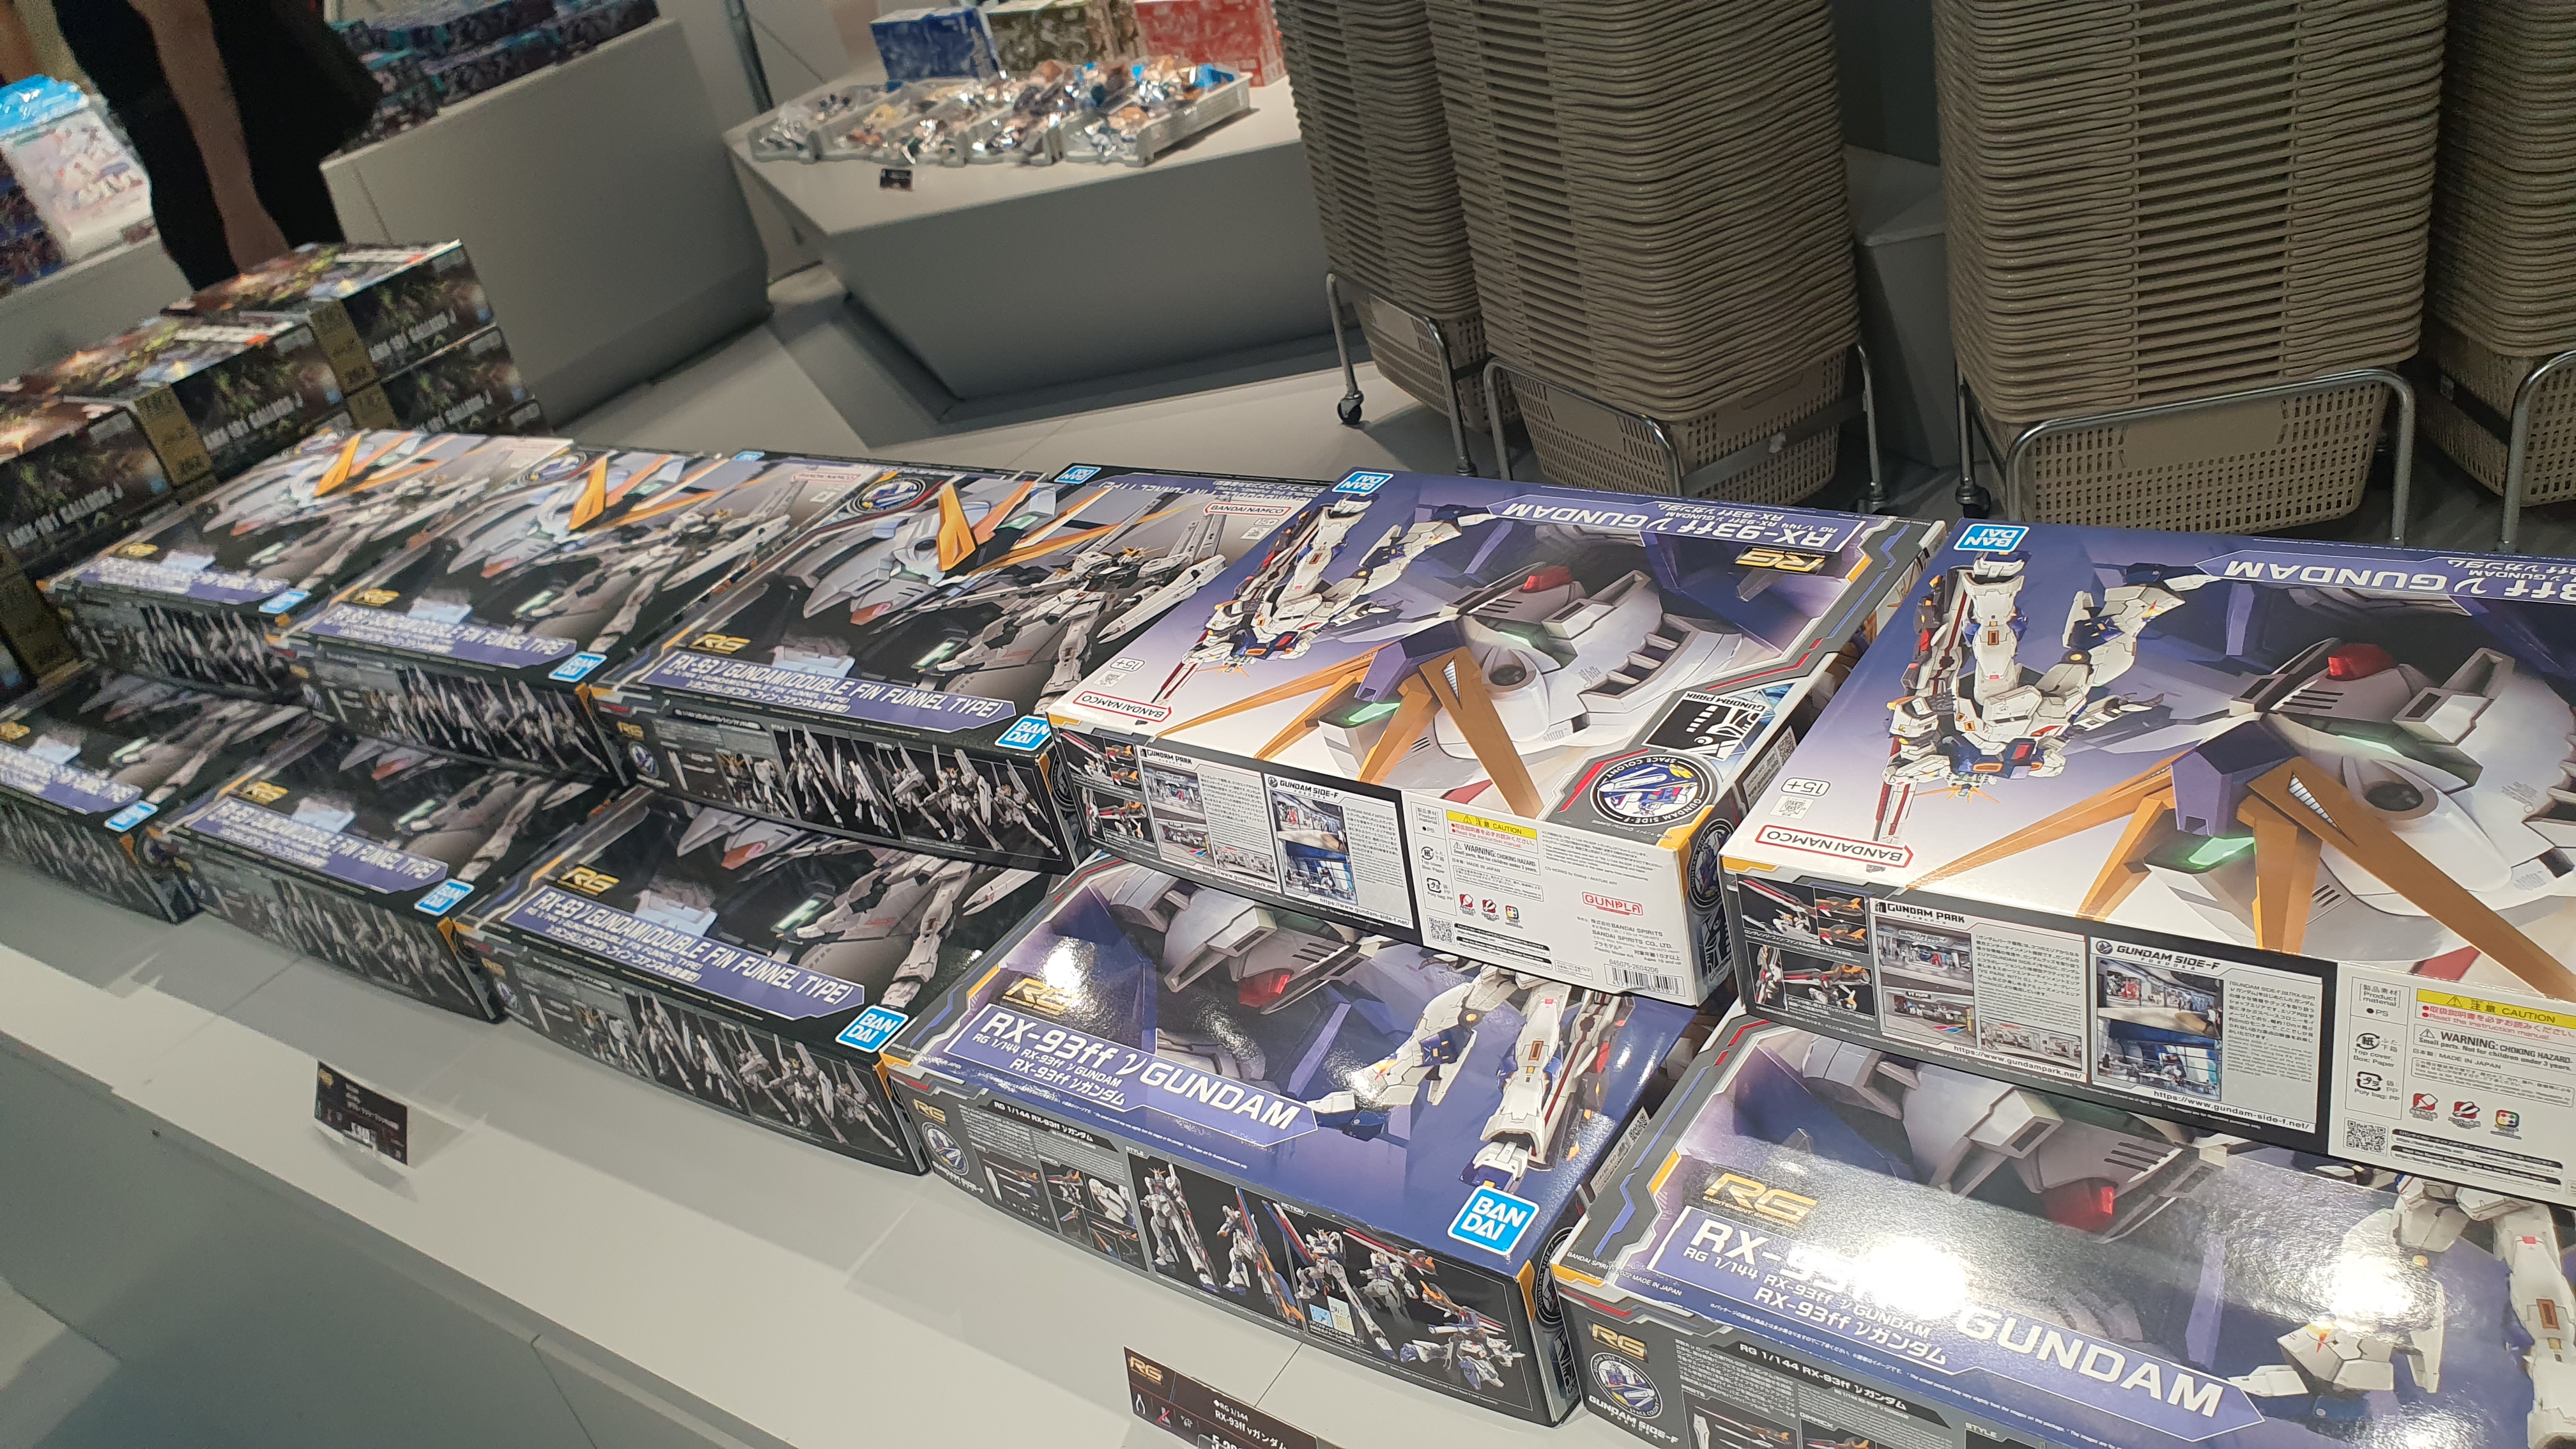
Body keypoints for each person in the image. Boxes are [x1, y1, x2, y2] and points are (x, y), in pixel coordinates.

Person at [0, 0, 360, 288]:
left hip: (235, 168)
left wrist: (238, 205)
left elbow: (184, 26)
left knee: (306, 325)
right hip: (202, 169)